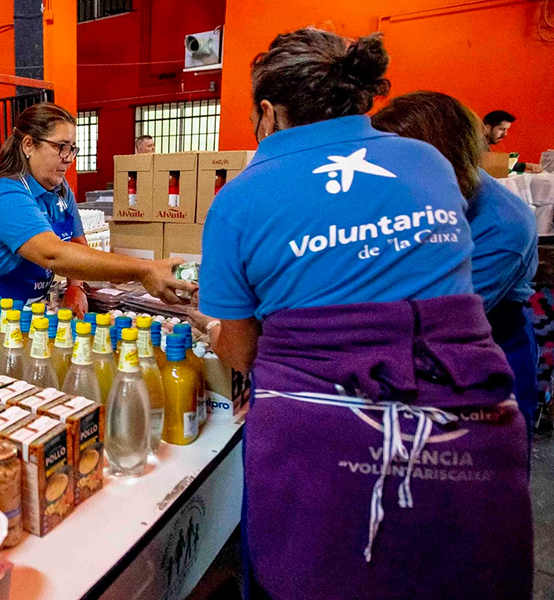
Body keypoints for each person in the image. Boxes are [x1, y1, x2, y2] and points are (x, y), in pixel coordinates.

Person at [200, 28, 531, 599]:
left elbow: (241, 349)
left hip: (321, 440)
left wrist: (214, 331)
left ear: (268, 111)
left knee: (310, 577)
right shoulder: (426, 161)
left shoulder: (241, 197)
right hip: (462, 425)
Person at [374, 91, 540, 441]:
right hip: (400, 337)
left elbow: (436, 324)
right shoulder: (407, 194)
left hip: (481, 348)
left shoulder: (504, 224)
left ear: (444, 160)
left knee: (479, 475)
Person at [0, 103, 193, 316]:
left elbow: (77, 244)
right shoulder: (3, 194)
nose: (69, 157)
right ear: (28, 145)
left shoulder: (59, 188)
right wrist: (143, 269)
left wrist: (76, 287)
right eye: (61, 146)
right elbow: (53, 254)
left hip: (22, 309)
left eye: (72, 148)